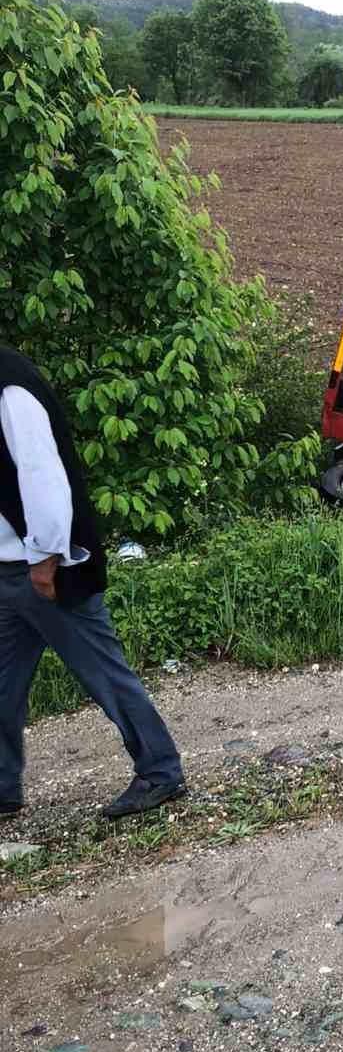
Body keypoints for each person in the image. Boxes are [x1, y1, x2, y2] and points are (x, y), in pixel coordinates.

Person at [0, 346, 186, 820]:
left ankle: (160, 771)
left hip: (44, 568)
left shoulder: (10, 388)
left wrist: (45, 559)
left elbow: (43, 477)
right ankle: (3, 787)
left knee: (104, 674)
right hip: (6, 568)